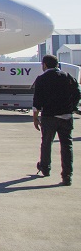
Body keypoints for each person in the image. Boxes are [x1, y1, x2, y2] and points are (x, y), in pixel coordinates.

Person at [33, 54, 80, 186]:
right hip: (66, 116)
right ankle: (67, 176)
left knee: (46, 143)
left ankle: (45, 168)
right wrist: (72, 107)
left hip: (49, 117)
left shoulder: (41, 79)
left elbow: (37, 100)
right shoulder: (67, 77)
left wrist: (35, 118)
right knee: (67, 146)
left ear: (45, 65)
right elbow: (77, 93)